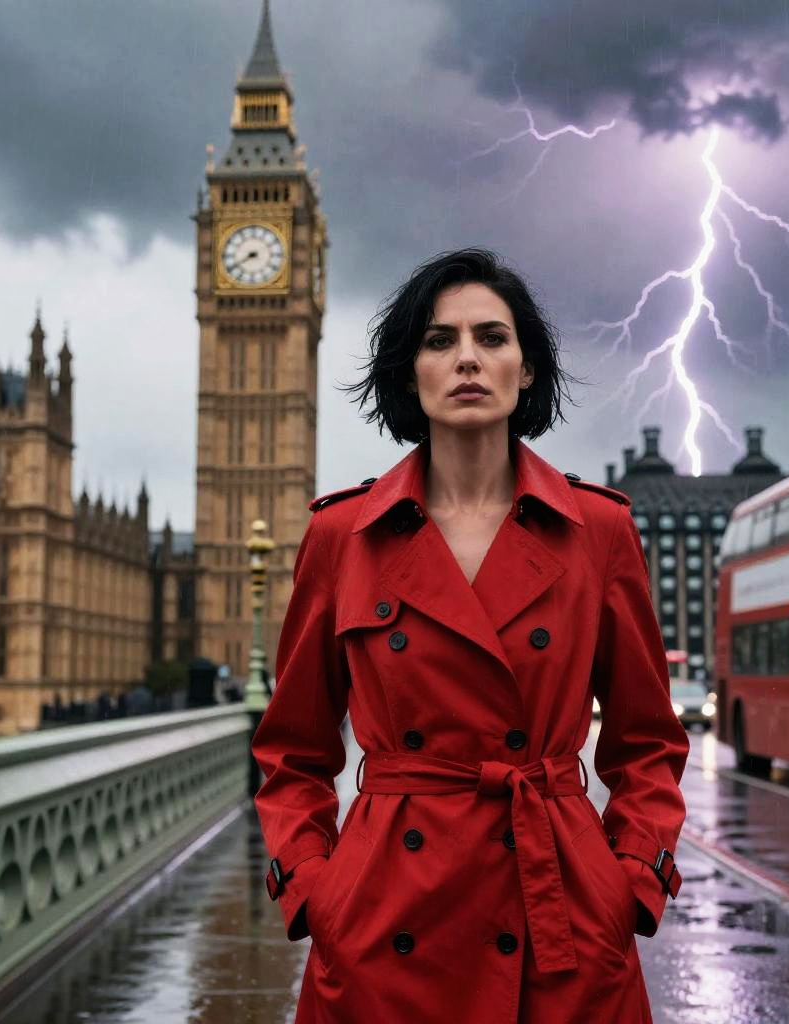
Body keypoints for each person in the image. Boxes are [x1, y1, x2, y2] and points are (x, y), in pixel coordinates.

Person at [251, 248, 688, 1023]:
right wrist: (318, 893)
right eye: (438, 341)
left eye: (492, 338)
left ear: (527, 371)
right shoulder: (343, 536)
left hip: (561, 918)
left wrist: (629, 884)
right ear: (407, 374)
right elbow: (291, 752)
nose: (466, 360)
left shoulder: (598, 531)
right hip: (384, 923)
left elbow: (647, 744)